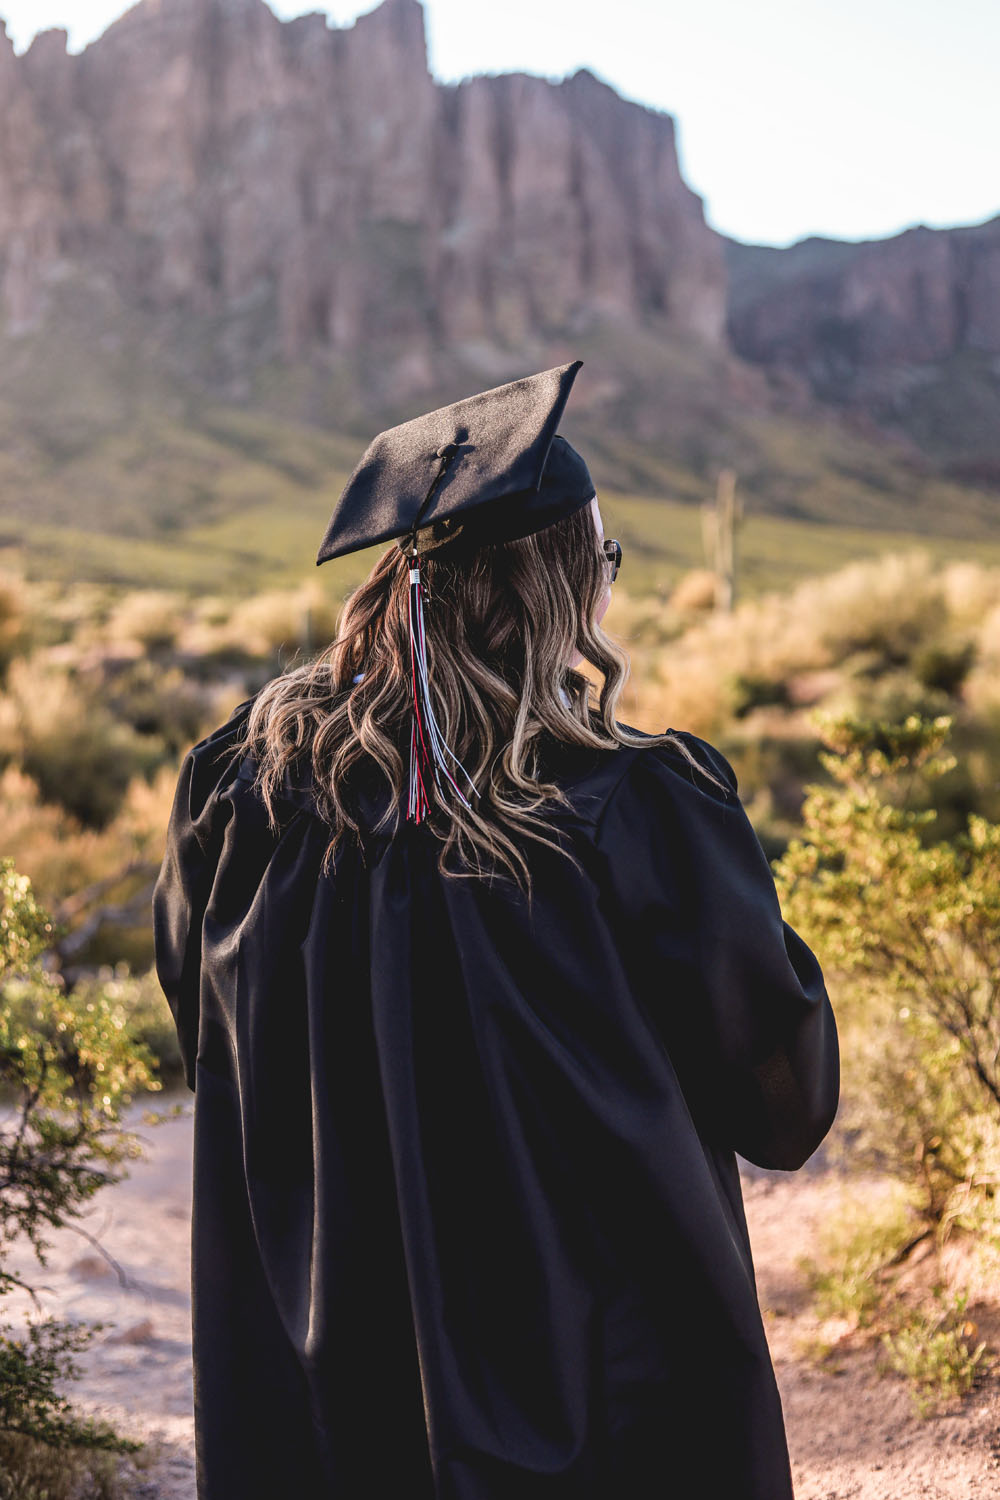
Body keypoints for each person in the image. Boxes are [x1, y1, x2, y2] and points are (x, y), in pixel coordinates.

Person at [152, 360, 840, 1500]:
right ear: (567, 585)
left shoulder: (239, 796)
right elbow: (784, 1105)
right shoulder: (638, 807)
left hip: (332, 1373)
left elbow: (208, 1040)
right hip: (605, 1382)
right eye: (601, 561)